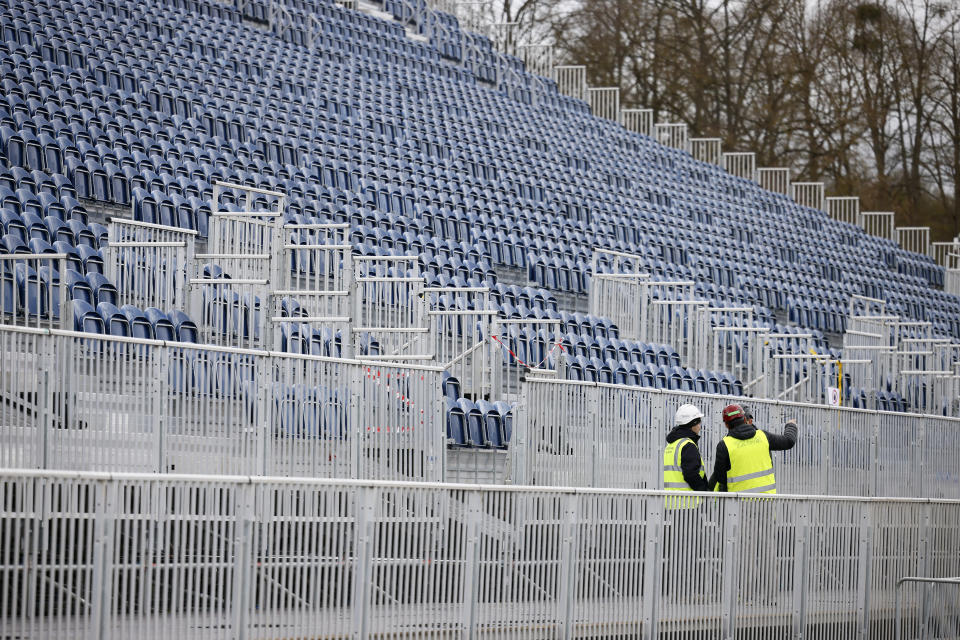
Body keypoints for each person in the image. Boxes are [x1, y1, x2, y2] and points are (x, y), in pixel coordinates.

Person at [710, 404, 797, 494]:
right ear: (745, 419)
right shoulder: (763, 437)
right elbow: (789, 441)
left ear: (726, 425)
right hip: (766, 501)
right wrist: (791, 425)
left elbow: (720, 477)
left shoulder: (724, 445)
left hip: (737, 503)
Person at [663, 403, 711, 495]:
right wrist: (705, 491)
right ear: (693, 424)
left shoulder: (672, 444)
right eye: (699, 422)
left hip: (671, 502)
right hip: (689, 503)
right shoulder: (688, 445)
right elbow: (691, 474)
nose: (700, 426)